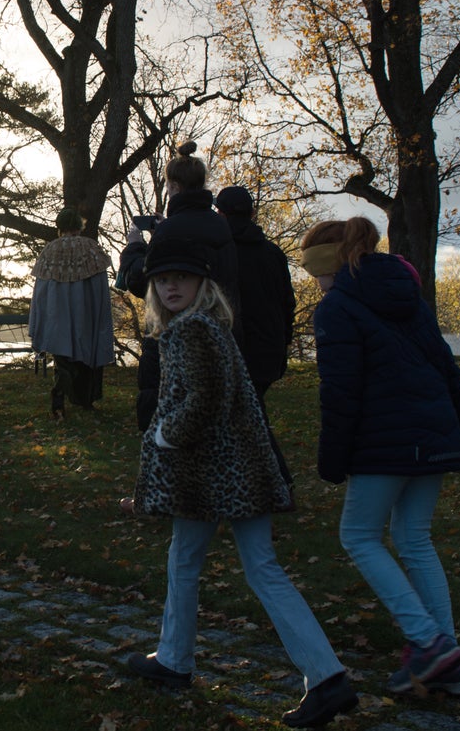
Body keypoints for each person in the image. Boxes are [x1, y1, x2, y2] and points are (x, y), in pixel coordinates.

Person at [126, 237, 357, 729]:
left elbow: (206, 400)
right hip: (237, 471)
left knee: (202, 563)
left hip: (215, 476)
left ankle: (177, 660)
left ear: (202, 285)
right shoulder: (208, 328)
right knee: (239, 565)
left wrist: (164, 435)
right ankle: (325, 675)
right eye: (162, 279)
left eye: (181, 278)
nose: (170, 286)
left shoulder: (192, 331)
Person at [300, 217, 460, 696]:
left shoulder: (336, 307)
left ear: (326, 263)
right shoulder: (407, 295)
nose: (312, 281)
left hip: (386, 441)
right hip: (433, 433)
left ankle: (429, 643)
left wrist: (331, 459)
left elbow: (340, 392)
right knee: (414, 538)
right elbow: (446, 365)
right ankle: (448, 659)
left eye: (311, 270)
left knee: (358, 536)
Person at [117, 141, 239, 430]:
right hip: (219, 327)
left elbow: (146, 283)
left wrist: (135, 248)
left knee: (168, 414)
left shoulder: (173, 230)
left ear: (172, 185)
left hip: (172, 331)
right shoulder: (221, 226)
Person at [215, 184, 297, 482]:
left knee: (251, 418)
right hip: (269, 348)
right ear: (251, 213)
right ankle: (253, 479)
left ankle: (278, 482)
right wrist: (284, 339)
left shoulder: (222, 254)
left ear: (220, 214)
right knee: (249, 415)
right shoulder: (272, 253)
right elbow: (287, 301)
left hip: (238, 348)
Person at [28, 208, 115, 418]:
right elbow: (100, 287)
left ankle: (58, 400)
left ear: (60, 226)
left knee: (63, 358)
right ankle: (85, 400)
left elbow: (41, 291)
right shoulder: (91, 248)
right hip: (85, 314)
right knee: (86, 357)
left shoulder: (49, 251)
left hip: (58, 315)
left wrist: (41, 318)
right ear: (78, 225)